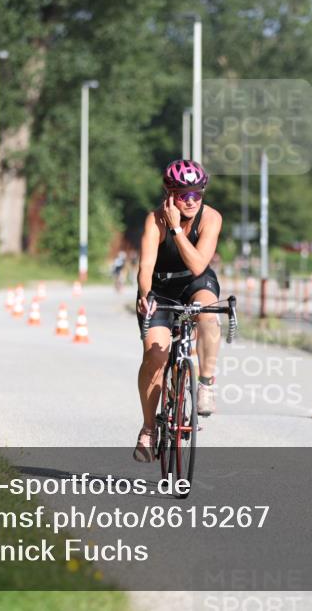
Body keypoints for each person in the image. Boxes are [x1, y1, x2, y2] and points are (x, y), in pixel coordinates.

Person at [133, 160, 223, 462]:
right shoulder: (154, 220)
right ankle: (149, 428)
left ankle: (206, 383)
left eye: (197, 194)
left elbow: (198, 265)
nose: (191, 200)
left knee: (208, 313)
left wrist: (176, 229)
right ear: (169, 194)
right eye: (183, 194)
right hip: (159, 287)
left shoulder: (210, 218)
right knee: (156, 356)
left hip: (195, 282)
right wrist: (146, 295)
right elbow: (145, 267)